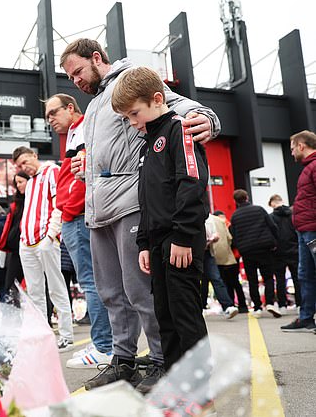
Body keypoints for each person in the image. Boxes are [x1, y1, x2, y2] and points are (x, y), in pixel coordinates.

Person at [60, 39, 220, 391]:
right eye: (70, 77)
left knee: (141, 292)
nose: (75, 81)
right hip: (99, 207)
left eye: (77, 72)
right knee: (110, 293)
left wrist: (208, 119)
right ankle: (124, 360)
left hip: (131, 203)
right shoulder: (99, 101)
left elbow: (183, 107)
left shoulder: (131, 80)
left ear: (97, 58)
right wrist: (84, 163)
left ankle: (165, 359)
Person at [111, 66, 210, 393]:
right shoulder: (146, 146)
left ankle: (198, 387)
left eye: (134, 113)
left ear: (157, 99)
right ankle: (173, 378)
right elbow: (146, 199)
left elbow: (192, 184)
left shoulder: (180, 131)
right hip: (156, 242)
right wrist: (143, 242)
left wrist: (182, 236)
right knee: (164, 314)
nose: (132, 122)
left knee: (185, 315)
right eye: (126, 118)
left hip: (180, 241)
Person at [45, 93, 114, 369]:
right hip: (76, 214)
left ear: (70, 108)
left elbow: (84, 174)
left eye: (53, 113)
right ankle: (106, 345)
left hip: (79, 215)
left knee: (92, 282)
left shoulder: (84, 128)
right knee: (94, 281)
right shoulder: (74, 133)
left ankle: (103, 346)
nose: (49, 119)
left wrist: (68, 210)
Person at [12, 146, 74, 351]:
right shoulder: (30, 183)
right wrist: (23, 238)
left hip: (44, 239)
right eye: (19, 165)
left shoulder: (51, 171)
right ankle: (43, 335)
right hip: (27, 241)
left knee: (56, 287)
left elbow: (59, 205)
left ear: (34, 156)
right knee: (36, 292)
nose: (23, 167)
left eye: (25, 162)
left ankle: (66, 335)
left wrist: (51, 235)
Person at [281, 130, 316, 332]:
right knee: (305, 275)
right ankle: (306, 318)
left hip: (312, 229)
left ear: (302, 146)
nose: (292, 152)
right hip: (304, 231)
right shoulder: (307, 168)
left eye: (293, 148)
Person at [230, 189, 281, 317]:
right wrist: (274, 242)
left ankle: (257, 307)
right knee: (268, 277)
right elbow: (272, 226)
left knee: (252, 280)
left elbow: (233, 236)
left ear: (235, 201)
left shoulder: (235, 216)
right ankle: (270, 303)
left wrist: (240, 248)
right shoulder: (259, 209)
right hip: (264, 248)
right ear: (247, 197)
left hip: (247, 252)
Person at [0, 171, 29, 301]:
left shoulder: (34, 200)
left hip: (29, 245)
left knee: (37, 285)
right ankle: (14, 317)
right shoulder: (16, 203)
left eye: (21, 182)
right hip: (16, 249)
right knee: (10, 285)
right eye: (17, 183)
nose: (19, 186)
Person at [211, 210, 248, 313]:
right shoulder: (227, 224)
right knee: (235, 282)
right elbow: (230, 239)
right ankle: (242, 305)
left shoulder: (215, 224)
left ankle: (231, 304)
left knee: (226, 282)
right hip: (231, 257)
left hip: (219, 258)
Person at [202, 215, 239, 318]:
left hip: (207, 252)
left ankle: (227, 306)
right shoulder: (213, 218)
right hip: (195, 252)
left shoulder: (209, 218)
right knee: (204, 281)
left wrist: (213, 238)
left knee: (215, 279)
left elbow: (216, 234)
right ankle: (201, 307)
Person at [269, 194, 300, 310]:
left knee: (280, 279)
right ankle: (300, 304)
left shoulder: (271, 217)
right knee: (297, 278)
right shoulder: (293, 215)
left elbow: (270, 234)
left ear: (272, 203)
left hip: (278, 252)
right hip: (294, 249)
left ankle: (282, 305)